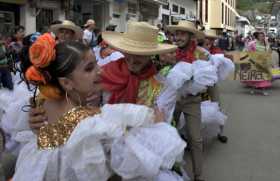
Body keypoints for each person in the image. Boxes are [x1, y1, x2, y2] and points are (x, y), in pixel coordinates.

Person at [12, 32, 186, 181]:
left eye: (140, 53)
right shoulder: (103, 82)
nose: (100, 71)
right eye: (129, 52)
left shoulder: (163, 84)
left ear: (151, 54)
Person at [167, 20, 206, 181]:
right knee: (168, 135)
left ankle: (198, 175)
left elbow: (206, 81)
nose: (178, 37)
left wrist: (192, 77)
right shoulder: (168, 51)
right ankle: (168, 170)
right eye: (177, 33)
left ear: (191, 36)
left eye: (183, 33)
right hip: (171, 100)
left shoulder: (200, 54)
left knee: (196, 139)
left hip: (192, 100)